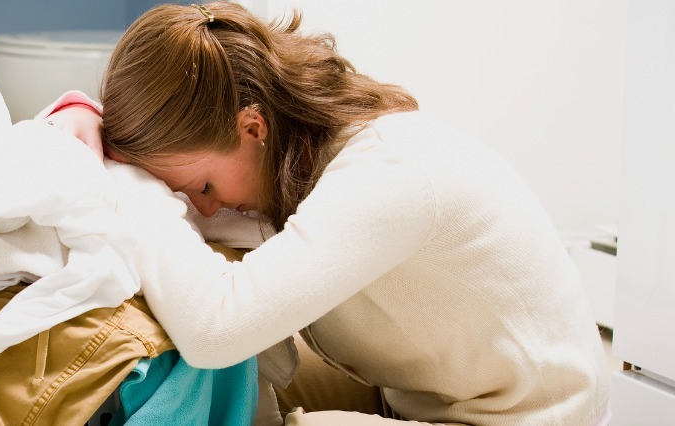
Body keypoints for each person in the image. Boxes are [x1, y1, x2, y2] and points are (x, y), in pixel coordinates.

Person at [41, 2, 611, 426]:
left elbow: (217, 328)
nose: (206, 207)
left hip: (526, 415)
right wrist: (83, 118)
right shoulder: (284, 162)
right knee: (228, 392)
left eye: (204, 185)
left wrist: (135, 187)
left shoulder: (389, 174)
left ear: (252, 127)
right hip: (421, 389)